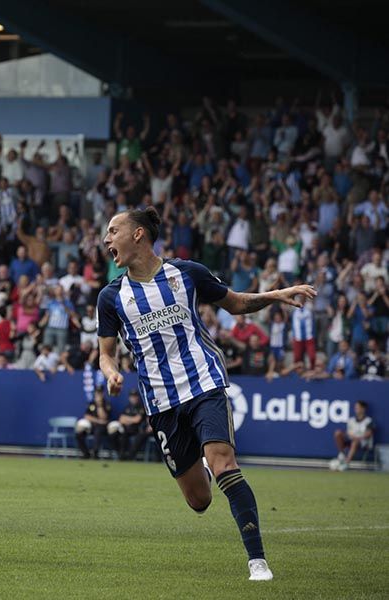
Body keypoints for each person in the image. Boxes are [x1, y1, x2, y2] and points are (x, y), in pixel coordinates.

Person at [97, 206, 316, 581]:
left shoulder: (186, 273)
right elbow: (105, 353)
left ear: (138, 234)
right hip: (161, 402)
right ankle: (204, 469)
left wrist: (277, 294)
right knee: (198, 500)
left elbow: (236, 304)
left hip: (204, 383)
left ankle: (257, 561)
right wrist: (111, 373)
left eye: (113, 231)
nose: (106, 239)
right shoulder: (111, 297)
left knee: (224, 464)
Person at [107, 388, 153, 460]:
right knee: (115, 434)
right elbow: (121, 419)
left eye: (135, 396)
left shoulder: (141, 407)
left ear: (138, 397)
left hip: (138, 429)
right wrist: (132, 419)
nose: (133, 398)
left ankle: (130, 456)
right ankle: (121, 454)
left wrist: (127, 419)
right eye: (132, 396)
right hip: (127, 429)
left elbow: (137, 420)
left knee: (140, 437)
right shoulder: (127, 407)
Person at [331, 401, 375, 471]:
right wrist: (351, 436)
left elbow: (369, 433)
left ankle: (346, 463)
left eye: (358, 408)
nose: (356, 409)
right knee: (338, 433)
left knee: (355, 442)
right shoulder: (351, 420)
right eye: (355, 408)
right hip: (351, 439)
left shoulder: (369, 421)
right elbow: (348, 432)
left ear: (363, 409)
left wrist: (358, 438)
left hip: (363, 442)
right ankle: (342, 454)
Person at [75, 387, 111, 459]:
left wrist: (99, 405)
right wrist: (98, 420)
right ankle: (85, 453)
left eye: (100, 393)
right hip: (92, 426)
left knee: (98, 431)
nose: (98, 395)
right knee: (79, 434)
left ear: (103, 394)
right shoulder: (91, 403)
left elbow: (103, 417)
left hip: (102, 427)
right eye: (97, 393)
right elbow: (87, 416)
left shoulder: (106, 404)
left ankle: (95, 453)